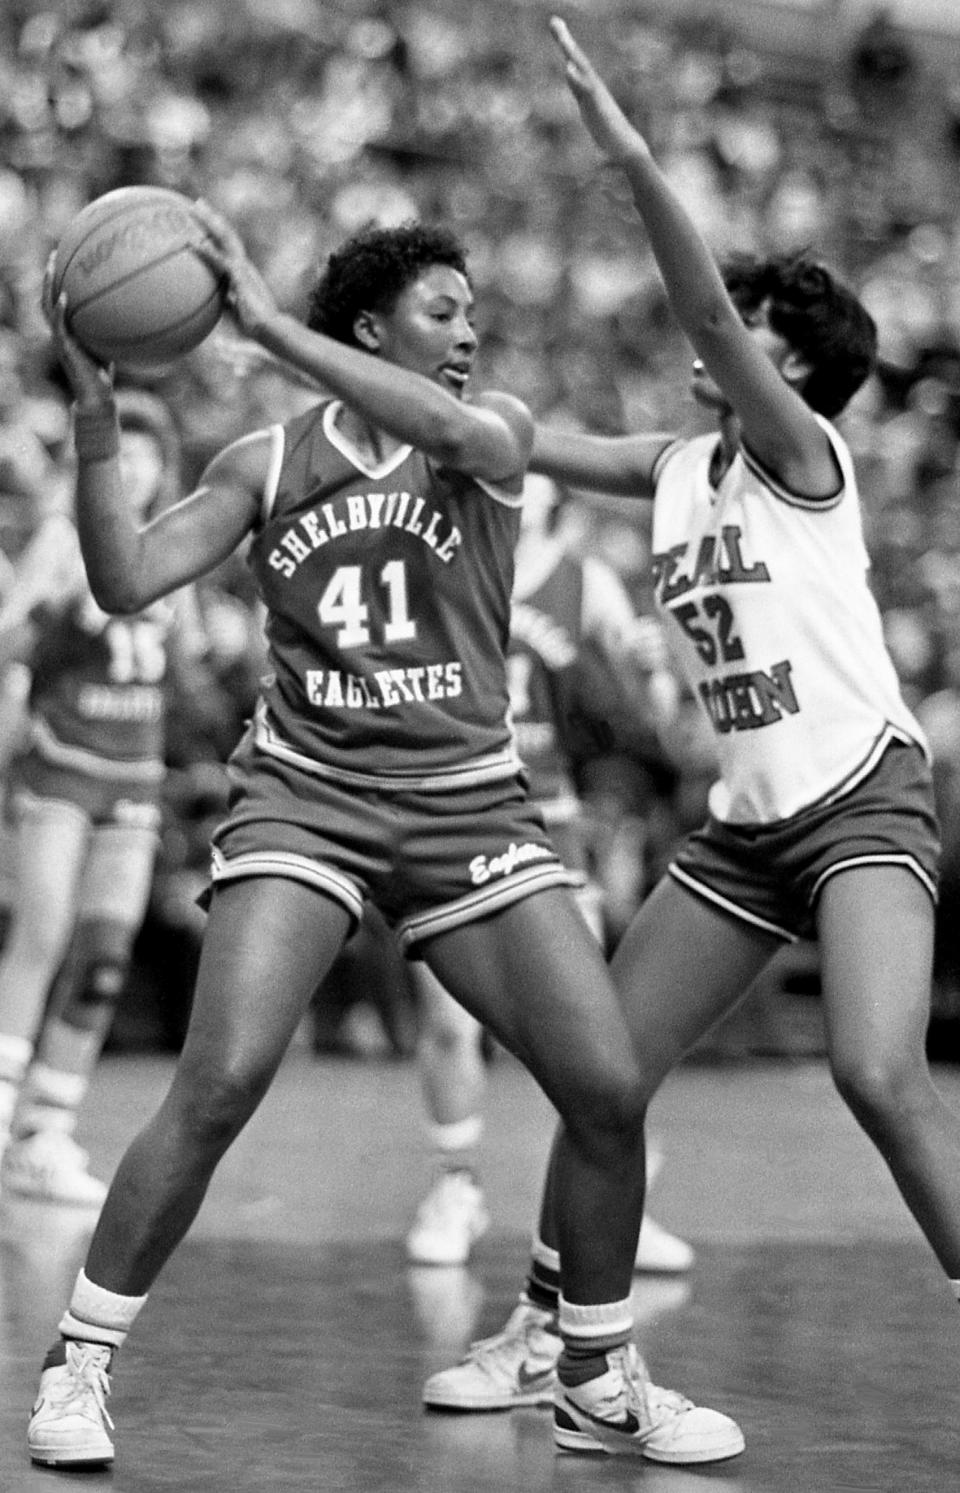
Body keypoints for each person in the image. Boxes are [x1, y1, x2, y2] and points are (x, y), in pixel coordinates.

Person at [26, 210, 745, 1468]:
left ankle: (590, 1370)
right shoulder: (265, 460)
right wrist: (95, 411)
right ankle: (78, 1363)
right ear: (372, 326)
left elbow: (461, 429)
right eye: (441, 312)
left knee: (606, 1086)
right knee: (222, 1079)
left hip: (467, 803)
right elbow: (126, 579)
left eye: (475, 313)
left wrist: (265, 327)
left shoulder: (494, 439)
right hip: (308, 798)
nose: (470, 335)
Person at [422, 16, 960, 1428]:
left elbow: (710, 315)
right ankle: (548, 1337)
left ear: (790, 371)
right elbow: (523, 446)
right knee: (606, 1073)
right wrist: (409, 388)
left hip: (860, 799)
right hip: (745, 830)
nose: (715, 345)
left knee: (876, 1069)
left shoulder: (801, 455)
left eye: (753, 337)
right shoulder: (675, 470)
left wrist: (633, 157)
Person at [406, 471, 694, 1276]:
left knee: (591, 1026)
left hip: (550, 817)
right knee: (449, 1018)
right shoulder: (432, 556)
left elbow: (654, 715)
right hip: (451, 809)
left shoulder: (584, 577)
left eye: (525, 466)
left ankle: (615, 1207)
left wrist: (654, 667)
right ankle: (455, 1186)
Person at [0, 390, 206, 1205]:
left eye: (150, 455)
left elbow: (183, 660)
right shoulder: (62, 537)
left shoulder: (174, 547)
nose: (139, 468)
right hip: (61, 761)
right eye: (124, 454)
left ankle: (46, 1131)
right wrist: (49, 614)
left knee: (103, 955)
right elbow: (11, 637)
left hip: (135, 771)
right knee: (43, 927)